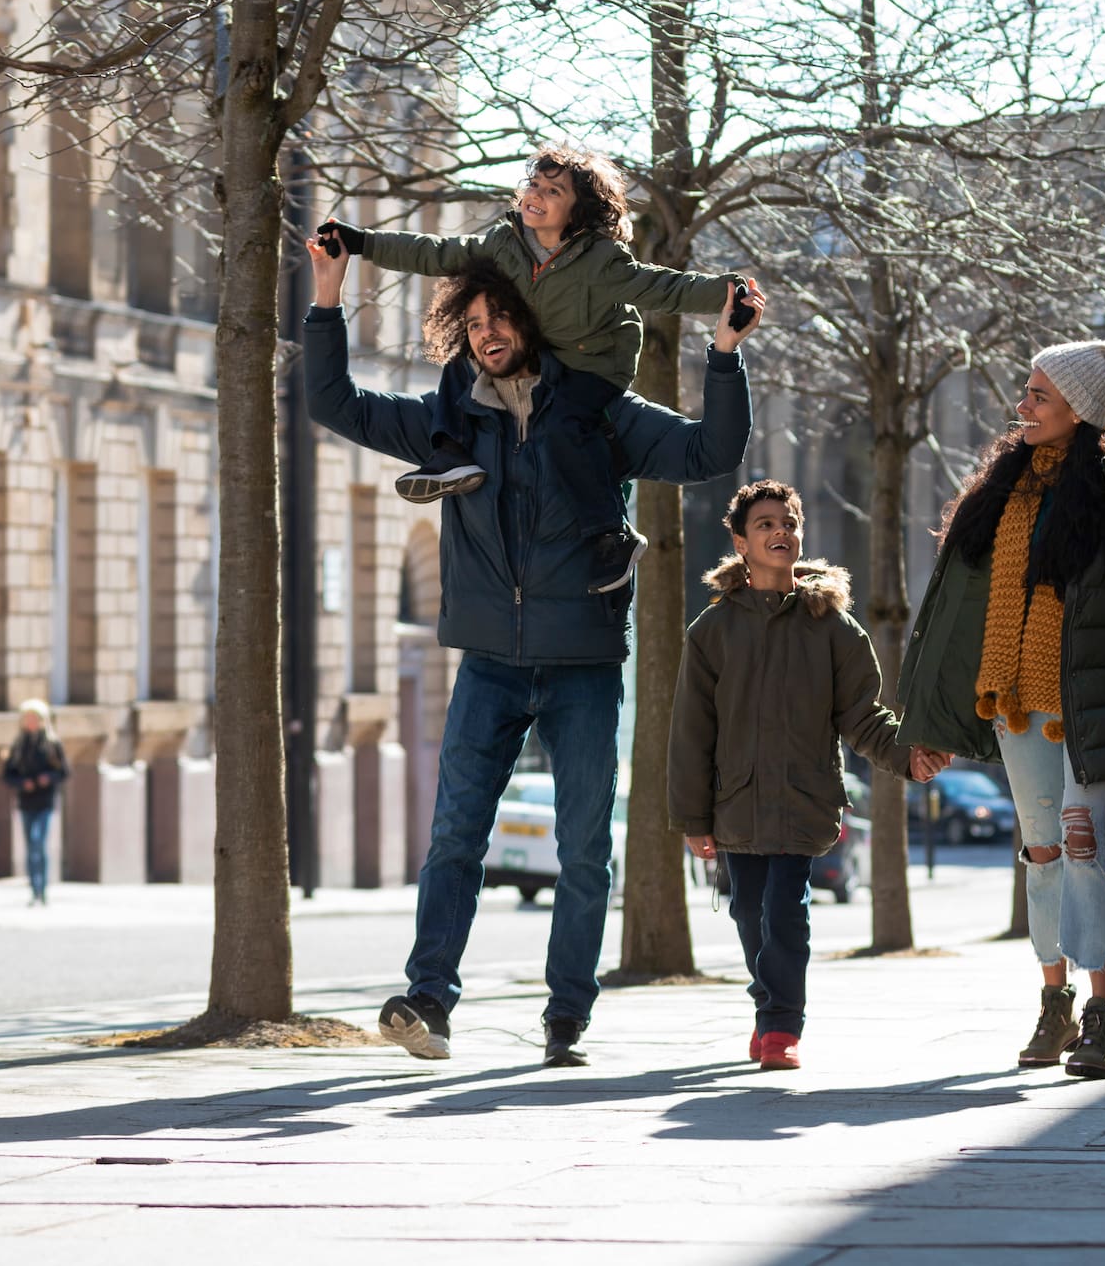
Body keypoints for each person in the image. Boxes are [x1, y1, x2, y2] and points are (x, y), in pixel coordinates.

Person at [304, 230, 763, 1068]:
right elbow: (335, 405)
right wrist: (327, 296)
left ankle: (566, 1015)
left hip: (583, 661)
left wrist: (724, 354)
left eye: (500, 315)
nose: (486, 331)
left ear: (530, 321)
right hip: (487, 662)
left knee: (585, 847)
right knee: (455, 838)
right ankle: (429, 1001)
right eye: (471, 319)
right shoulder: (449, 421)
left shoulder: (595, 411)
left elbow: (710, 452)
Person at [897, 335, 1105, 1079]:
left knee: (1083, 851)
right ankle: (1054, 1003)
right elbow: (958, 613)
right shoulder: (1004, 489)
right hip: (1016, 703)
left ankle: (1104, 1018)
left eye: (1039, 396)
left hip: (1093, 710)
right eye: (1026, 392)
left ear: (1081, 412)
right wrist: (930, 723)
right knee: (1041, 857)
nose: (1022, 406)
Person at [315, 145, 748, 594]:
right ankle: (449, 453)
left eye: (554, 190)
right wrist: (361, 242)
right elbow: (438, 253)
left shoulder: (601, 262)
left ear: (579, 213)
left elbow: (663, 287)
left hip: (590, 369)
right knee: (464, 365)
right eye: (534, 184)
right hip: (541, 357)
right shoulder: (504, 243)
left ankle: (609, 534)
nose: (536, 194)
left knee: (564, 426)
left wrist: (726, 292)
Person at [669, 480, 945, 1071]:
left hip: (803, 798)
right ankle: (767, 1005)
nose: (781, 532)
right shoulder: (710, 632)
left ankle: (780, 1026)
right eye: (766, 524)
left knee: (784, 907)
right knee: (747, 911)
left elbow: (865, 717)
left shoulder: (836, 630)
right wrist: (693, 817)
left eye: (789, 522)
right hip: (736, 799)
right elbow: (692, 732)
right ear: (741, 542)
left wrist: (908, 757)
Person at [1, 699, 68, 907]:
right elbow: (7, 775)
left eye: (34, 718)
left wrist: (47, 778)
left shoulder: (51, 744)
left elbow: (63, 772)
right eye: (27, 718)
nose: (30, 722)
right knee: (31, 845)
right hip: (26, 801)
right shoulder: (18, 745)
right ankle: (33, 888)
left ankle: (42, 888)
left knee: (38, 842)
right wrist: (22, 783)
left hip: (45, 801)